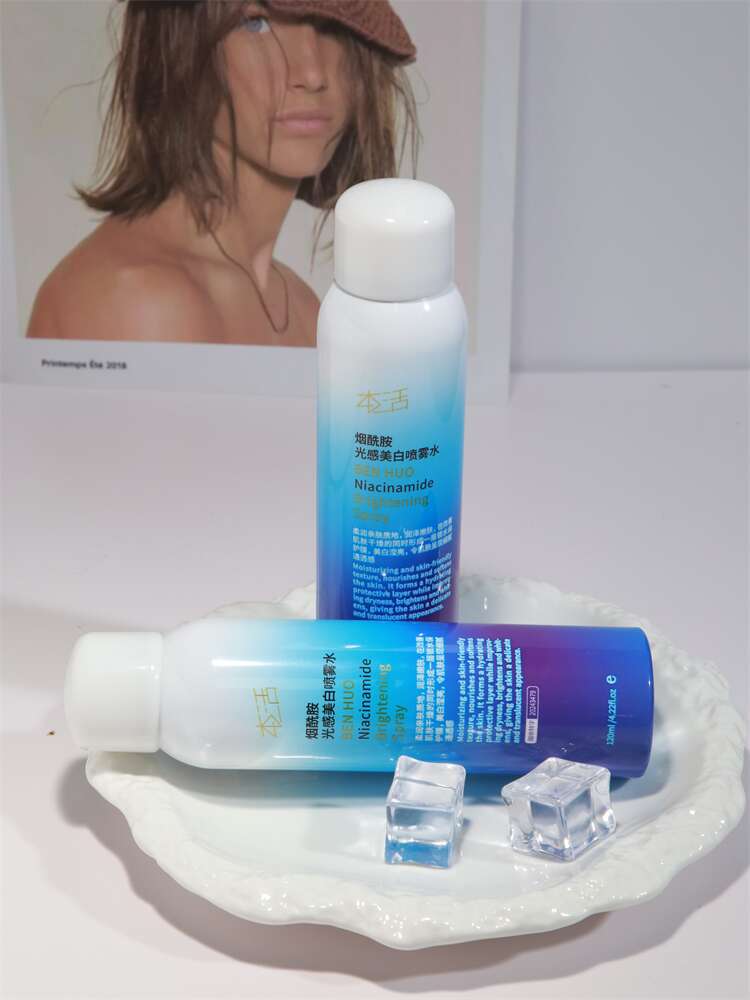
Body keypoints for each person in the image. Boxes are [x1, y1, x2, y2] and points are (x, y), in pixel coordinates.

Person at [27, 0, 417, 346]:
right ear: (176, 45)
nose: (312, 73)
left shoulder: (303, 310)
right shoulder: (138, 301)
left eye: (332, 26)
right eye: (255, 22)